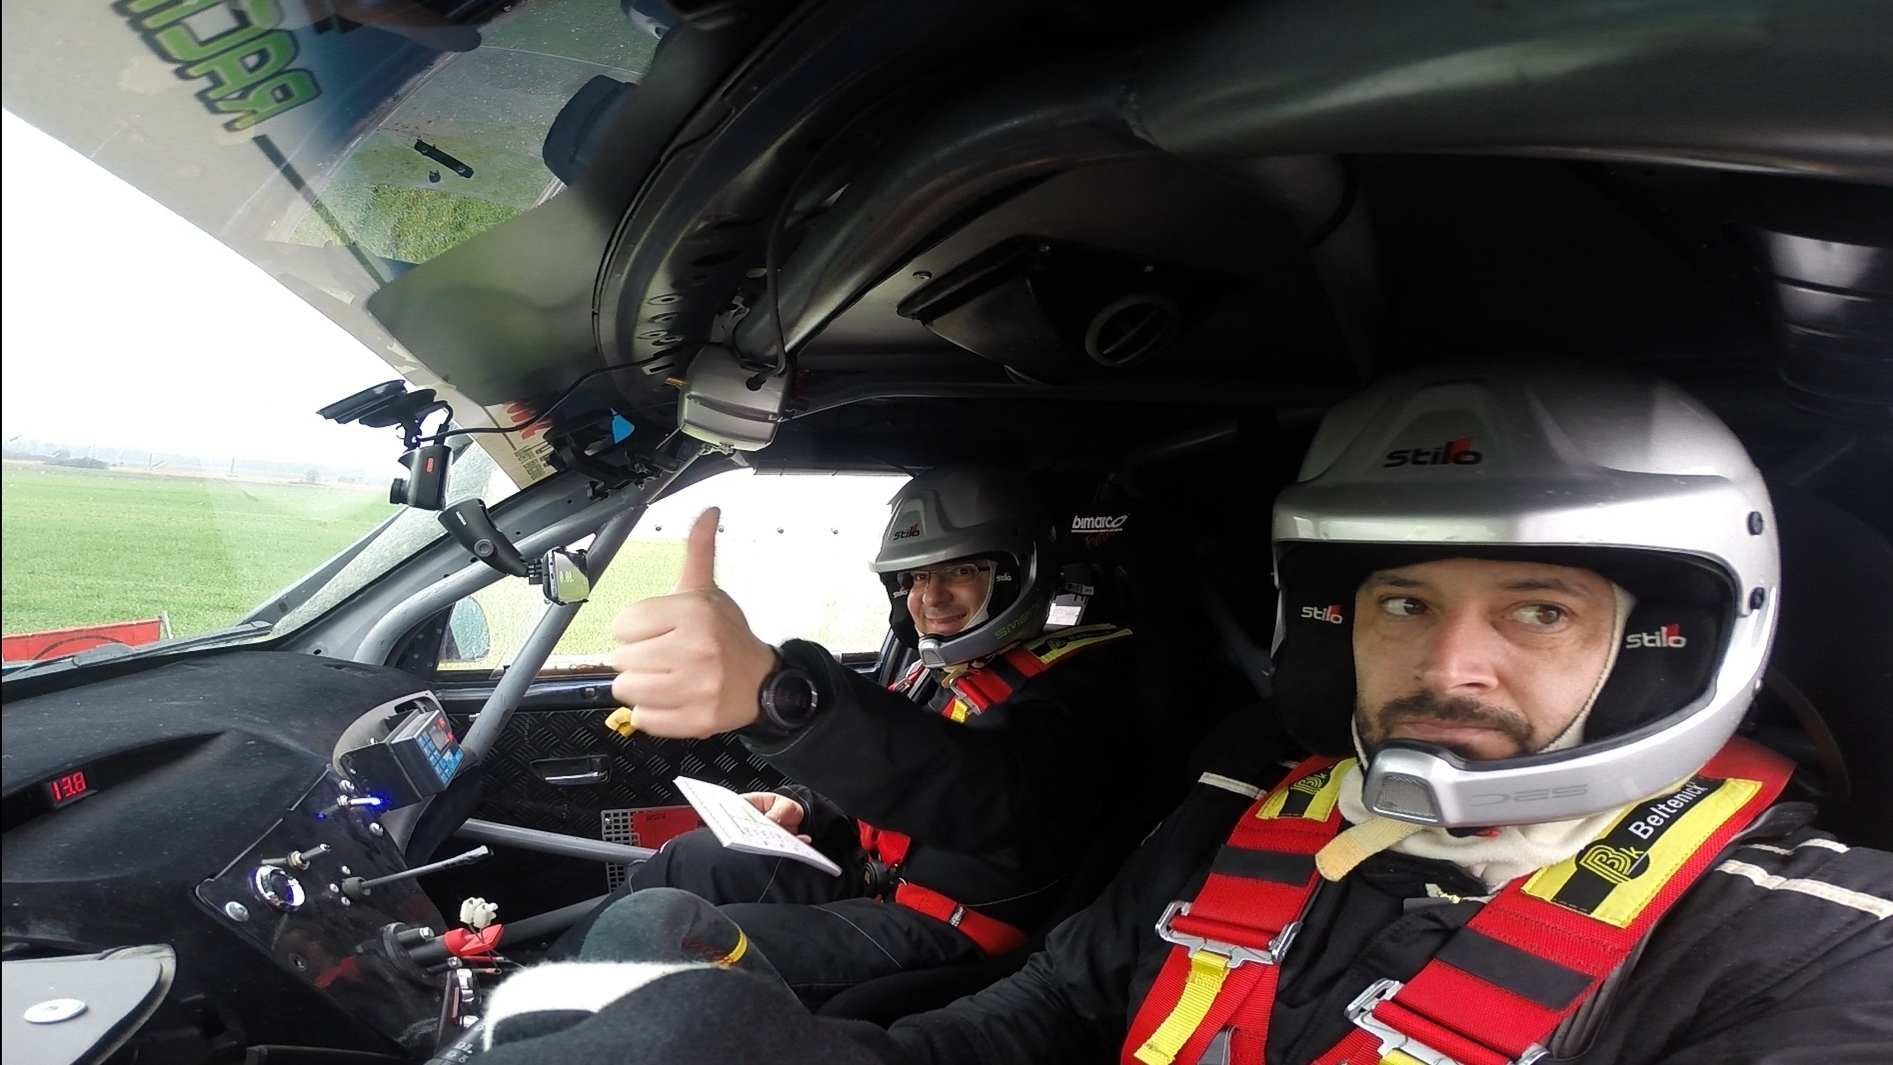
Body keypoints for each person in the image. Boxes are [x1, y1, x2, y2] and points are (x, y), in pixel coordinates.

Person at [476, 362, 1890, 1065]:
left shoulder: (1807, 944)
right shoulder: (1254, 800)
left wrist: (786, 701)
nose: (1448, 666)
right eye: (1403, 604)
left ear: (1661, 642)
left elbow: (996, 804)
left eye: (1537, 612)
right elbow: (1036, 1017)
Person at [561, 466, 1136, 1005]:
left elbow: (982, 791)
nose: (931, 597)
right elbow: (897, 767)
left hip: (948, 926)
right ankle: (529, 994)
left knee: (670, 950)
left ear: (1020, 572)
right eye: (916, 577)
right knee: (690, 859)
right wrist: (802, 807)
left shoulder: (1084, 685)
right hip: (868, 874)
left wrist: (780, 694)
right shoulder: (942, 667)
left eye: (963, 571)